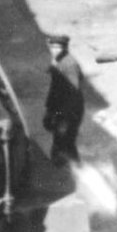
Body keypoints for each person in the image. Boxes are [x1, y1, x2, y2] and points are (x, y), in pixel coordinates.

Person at [43, 34, 85, 165]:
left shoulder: (69, 63)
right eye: (52, 47)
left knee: (66, 142)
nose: (55, 50)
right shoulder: (58, 60)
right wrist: (49, 110)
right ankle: (61, 167)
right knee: (61, 141)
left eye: (58, 48)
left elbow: (73, 91)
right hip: (59, 108)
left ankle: (76, 171)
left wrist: (63, 118)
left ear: (65, 48)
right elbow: (54, 88)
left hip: (68, 111)